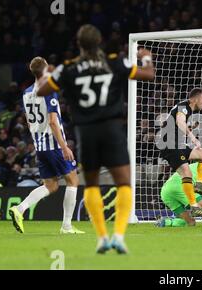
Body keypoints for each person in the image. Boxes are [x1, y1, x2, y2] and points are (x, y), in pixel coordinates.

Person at [36, 24, 155, 254]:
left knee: (91, 184)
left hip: (86, 132)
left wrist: (49, 72)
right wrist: (147, 57)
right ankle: (118, 236)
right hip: (111, 129)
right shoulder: (115, 62)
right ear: (99, 42)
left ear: (79, 45)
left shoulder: (69, 68)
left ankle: (102, 238)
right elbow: (148, 74)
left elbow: (41, 90)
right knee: (123, 182)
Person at [9, 57, 83, 235]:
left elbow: (28, 120)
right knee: (73, 180)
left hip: (40, 145)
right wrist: (64, 146)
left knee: (51, 186)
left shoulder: (26, 92)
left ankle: (20, 209)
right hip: (53, 144)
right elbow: (52, 121)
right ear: (45, 70)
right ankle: (66, 226)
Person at [159, 88, 202, 217]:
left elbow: (176, 125)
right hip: (170, 146)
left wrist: (190, 128)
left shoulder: (186, 109)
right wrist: (193, 137)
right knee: (186, 173)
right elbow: (180, 121)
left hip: (178, 145)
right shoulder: (183, 107)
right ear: (195, 99)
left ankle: (199, 184)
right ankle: (194, 206)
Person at [156, 162, 202, 227]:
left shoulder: (192, 166)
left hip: (165, 191)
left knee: (190, 222)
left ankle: (166, 222)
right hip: (182, 186)